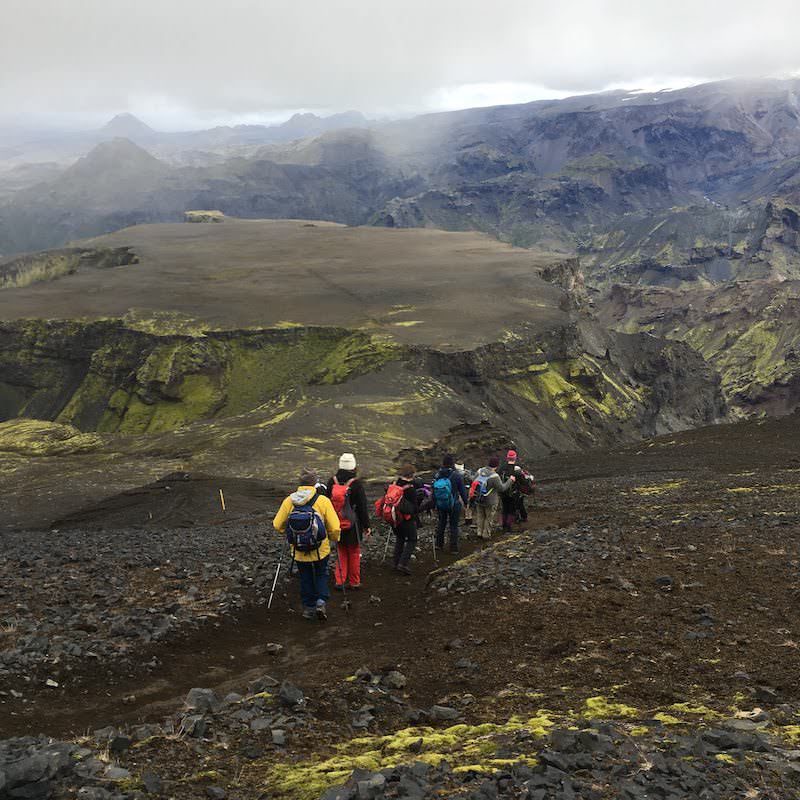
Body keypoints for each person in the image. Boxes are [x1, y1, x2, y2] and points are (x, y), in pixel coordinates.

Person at [272, 468, 341, 621]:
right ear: (315, 482)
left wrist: (288, 531)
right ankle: (321, 602)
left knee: (305, 577)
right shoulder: (323, 501)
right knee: (321, 573)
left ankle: (308, 608)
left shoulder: (289, 501)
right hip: (320, 549)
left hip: (298, 549)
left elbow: (277, 524)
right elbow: (335, 527)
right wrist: (333, 538)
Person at [327, 452, 371, 590]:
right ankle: (354, 582)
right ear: (353, 467)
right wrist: (366, 526)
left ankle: (340, 581)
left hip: (335, 523)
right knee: (353, 552)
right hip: (353, 525)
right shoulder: (356, 484)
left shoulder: (331, 481)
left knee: (340, 551)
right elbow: (362, 507)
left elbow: (326, 503)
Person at [471, 456, 515, 540]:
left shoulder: (480, 471)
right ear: (496, 466)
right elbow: (502, 488)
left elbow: (473, 480)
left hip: (479, 498)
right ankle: (486, 534)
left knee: (480, 516)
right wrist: (510, 480)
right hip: (491, 501)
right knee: (489, 517)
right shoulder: (495, 476)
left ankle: (479, 532)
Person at [433, 454, 469, 553]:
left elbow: (434, 490)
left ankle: (438, 545)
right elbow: (462, 491)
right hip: (454, 504)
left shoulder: (438, 475)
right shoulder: (456, 475)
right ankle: (453, 548)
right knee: (453, 526)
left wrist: (434, 502)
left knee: (441, 524)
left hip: (441, 503)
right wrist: (466, 503)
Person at [391, 463, 419, 575]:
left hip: (395, 518)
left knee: (400, 538)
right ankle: (402, 563)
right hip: (407, 519)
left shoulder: (394, 484)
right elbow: (414, 508)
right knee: (412, 539)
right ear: (411, 475)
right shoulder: (410, 489)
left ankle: (396, 562)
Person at [498, 449, 522, 533]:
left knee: (505, 508)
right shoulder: (517, 469)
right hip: (513, 493)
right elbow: (522, 481)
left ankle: (504, 525)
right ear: (515, 458)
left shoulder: (501, 468)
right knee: (511, 510)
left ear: (507, 458)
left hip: (503, 492)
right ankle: (508, 527)